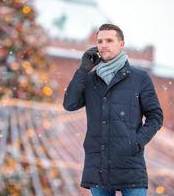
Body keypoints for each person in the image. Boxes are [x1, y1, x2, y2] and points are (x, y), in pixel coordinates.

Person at [63, 23, 163, 196]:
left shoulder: (139, 78)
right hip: (98, 165)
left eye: (109, 40)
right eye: (100, 41)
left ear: (121, 44)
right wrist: (83, 70)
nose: (103, 45)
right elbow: (69, 104)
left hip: (130, 164)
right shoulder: (90, 79)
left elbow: (156, 116)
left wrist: (136, 142)